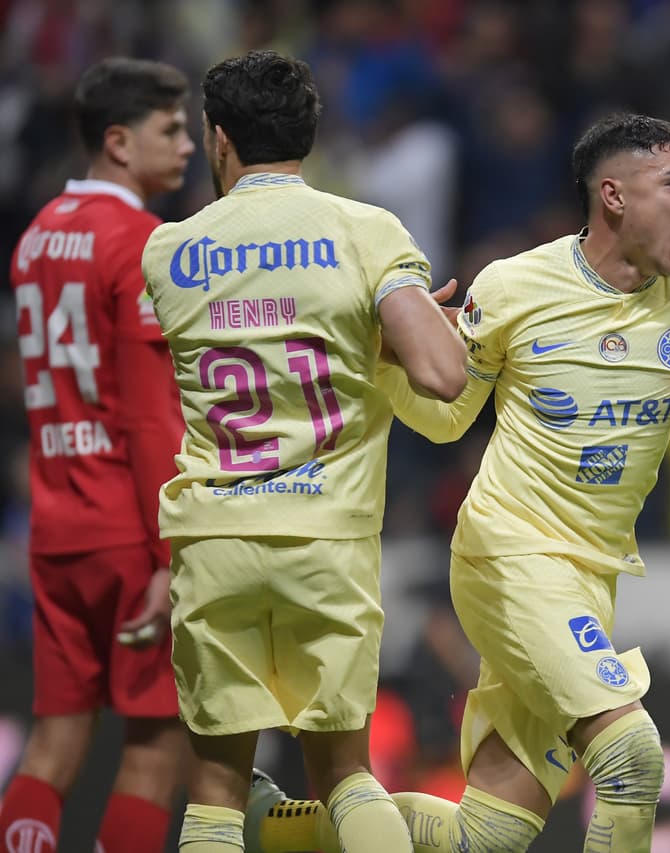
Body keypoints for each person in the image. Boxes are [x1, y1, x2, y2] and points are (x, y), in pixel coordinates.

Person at [246, 113, 670, 852]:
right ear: (613, 196)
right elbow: (449, 415)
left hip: (590, 576)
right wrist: (390, 355)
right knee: (631, 756)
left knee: (485, 837)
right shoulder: (517, 286)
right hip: (508, 555)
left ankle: (281, 831)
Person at [138, 50, 467, 853]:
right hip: (326, 537)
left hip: (213, 537)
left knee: (216, 790)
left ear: (219, 140)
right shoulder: (364, 231)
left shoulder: (169, 250)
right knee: (346, 775)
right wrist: (390, 335)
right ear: (310, 138)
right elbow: (444, 375)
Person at [0, 57, 194, 853]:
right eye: (171, 130)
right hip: (126, 525)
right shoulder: (143, 242)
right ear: (119, 141)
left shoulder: (36, 235)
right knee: (155, 750)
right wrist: (168, 552)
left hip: (54, 526)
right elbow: (151, 418)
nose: (188, 146)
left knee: (52, 744)